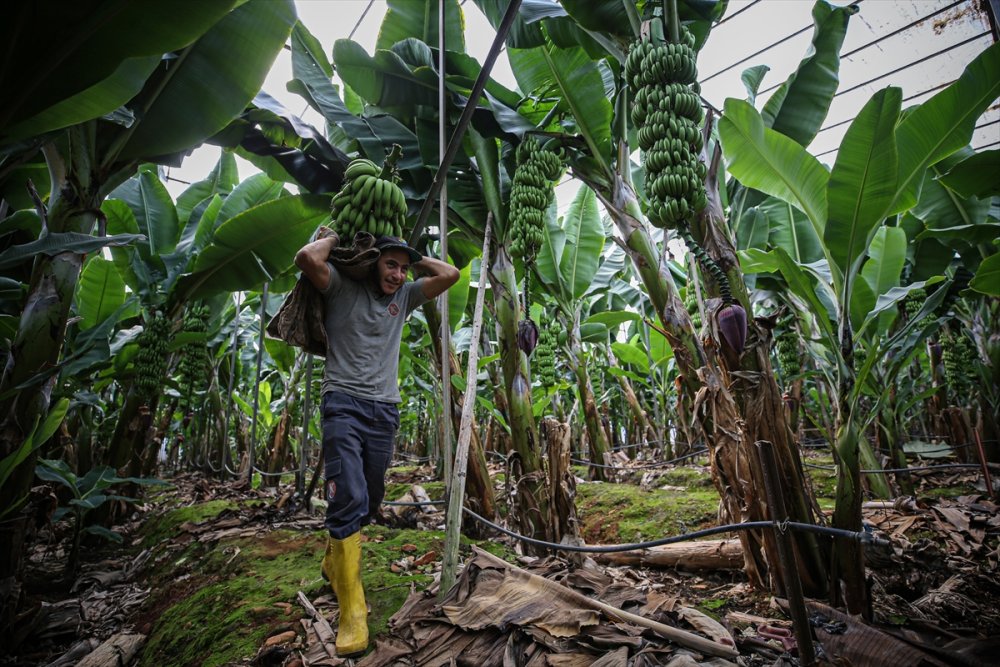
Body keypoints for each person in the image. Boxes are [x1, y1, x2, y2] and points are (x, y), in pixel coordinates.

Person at [294, 232, 459, 657]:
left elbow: (450, 274)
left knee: (369, 499)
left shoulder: (404, 296)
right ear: (372, 261)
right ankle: (352, 610)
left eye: (403, 268)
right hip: (343, 403)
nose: (398, 274)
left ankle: (335, 561)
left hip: (384, 409)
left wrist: (412, 262)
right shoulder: (340, 285)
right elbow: (307, 258)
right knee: (347, 493)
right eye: (391, 265)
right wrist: (340, 238)